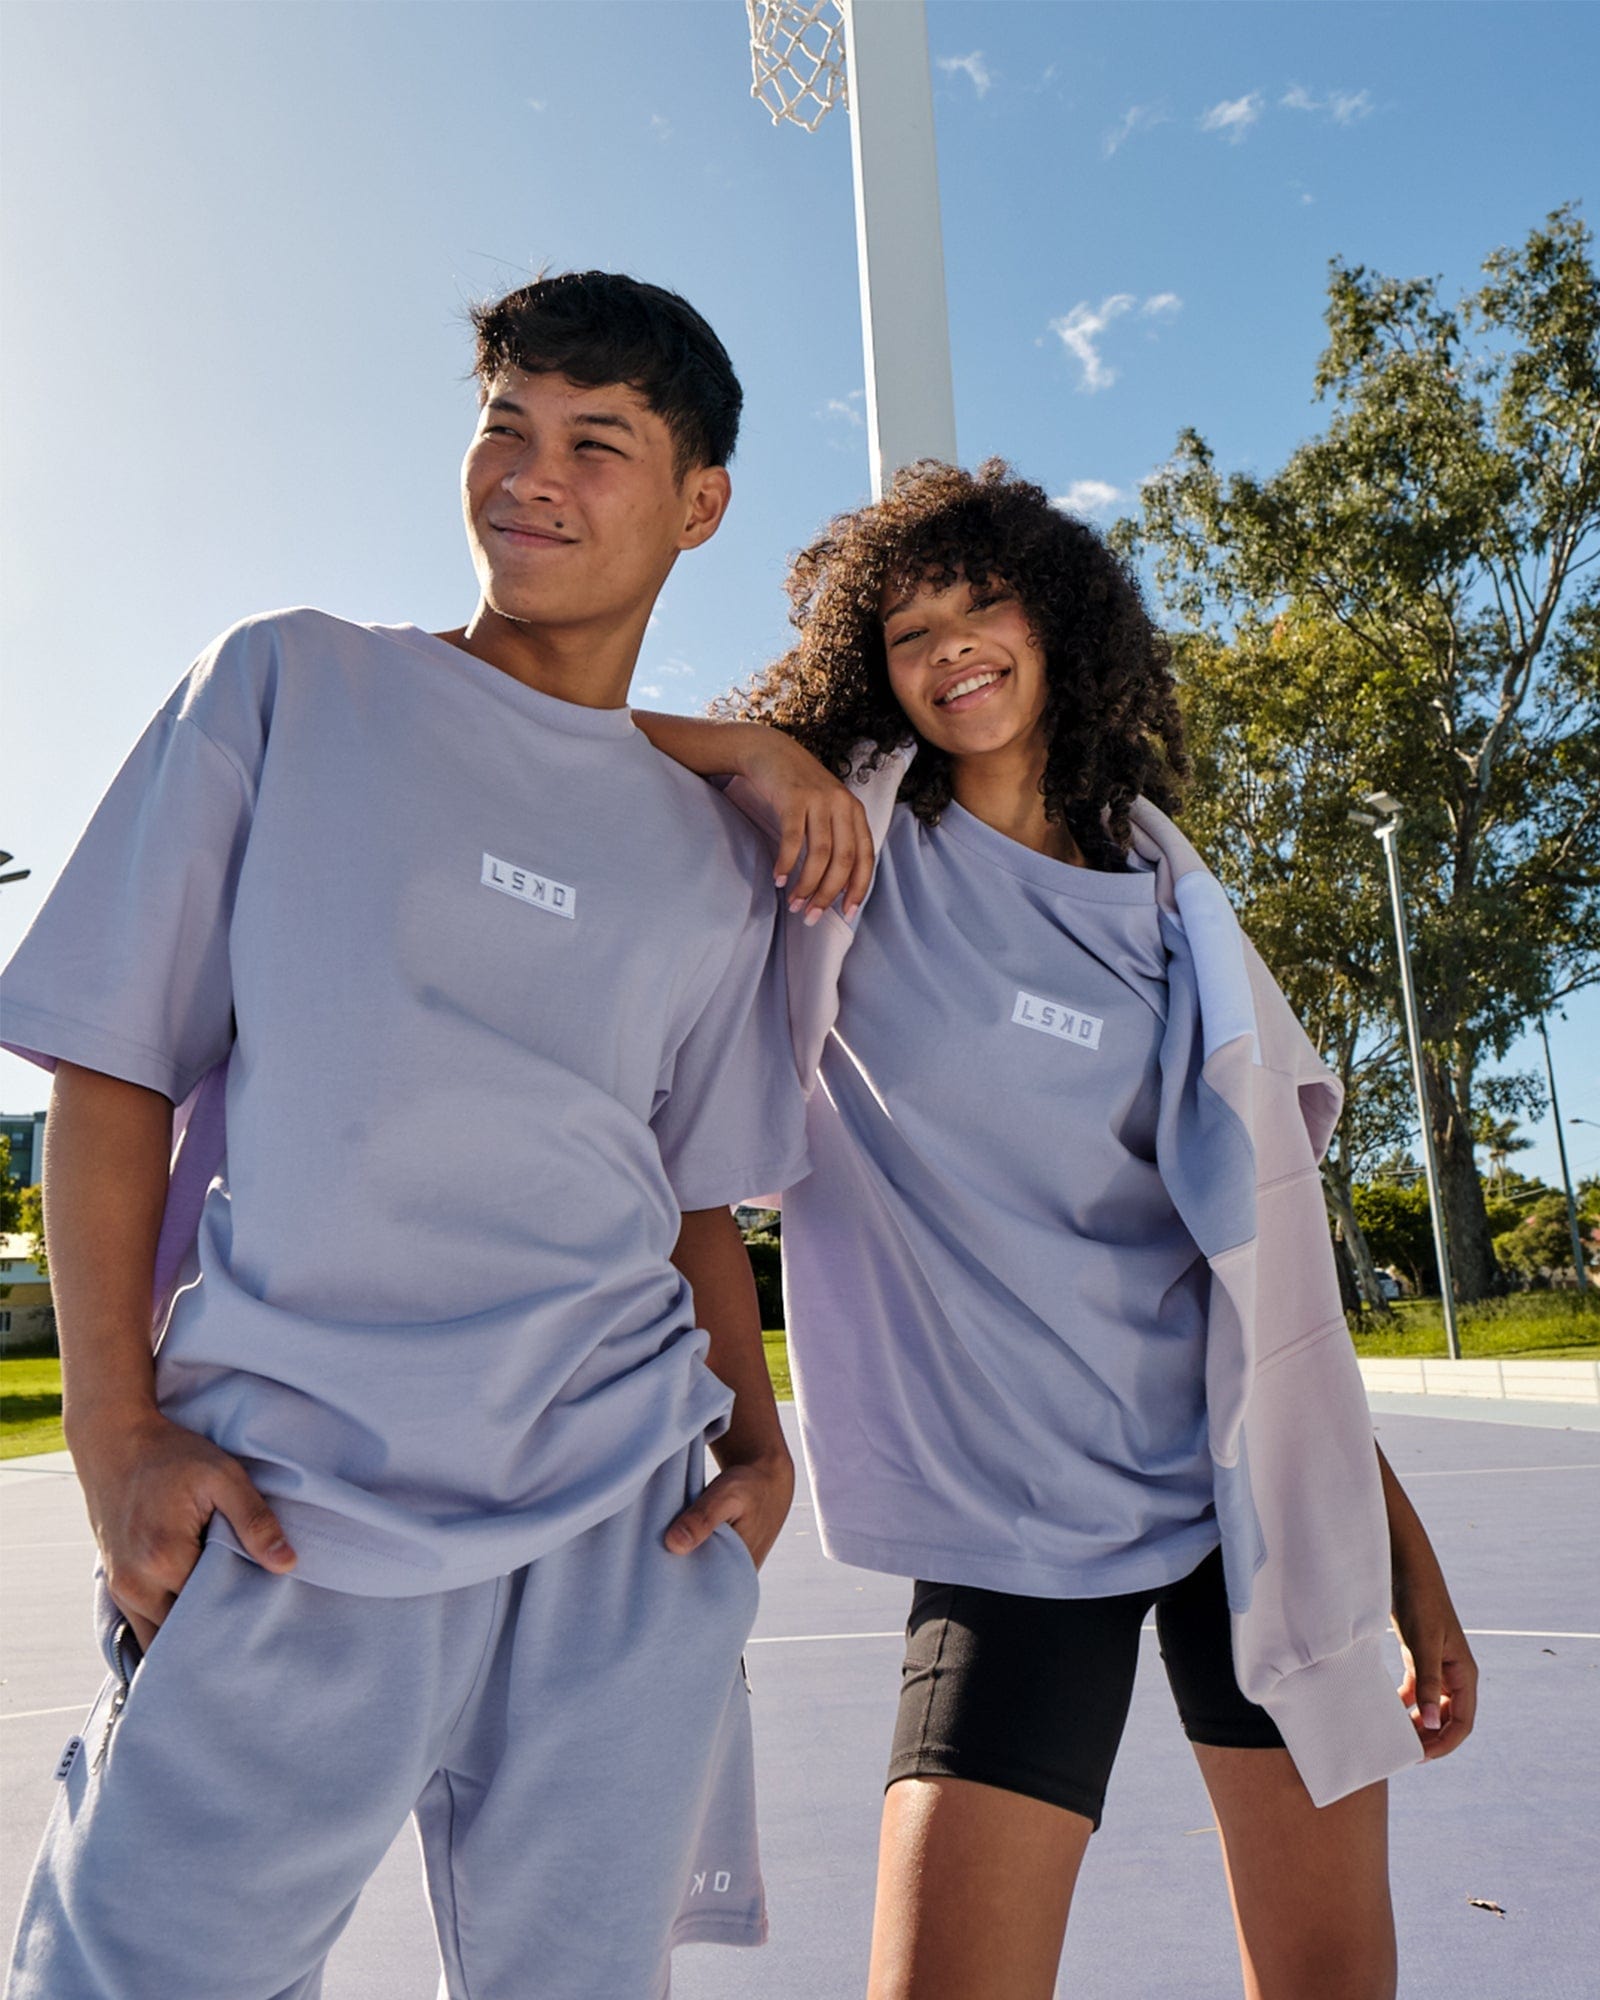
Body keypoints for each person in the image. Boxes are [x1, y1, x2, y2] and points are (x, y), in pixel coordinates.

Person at [0, 271, 809, 2000]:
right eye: (506, 426)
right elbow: (111, 1068)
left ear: (701, 504)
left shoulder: (717, 851)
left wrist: (758, 1441)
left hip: (626, 1524)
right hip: (296, 1495)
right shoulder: (291, 686)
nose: (533, 473)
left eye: (598, 444)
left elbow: (693, 1203)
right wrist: (111, 1427)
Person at [636, 458, 1478, 2000]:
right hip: (1013, 1514)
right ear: (869, 672)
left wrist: (1406, 1561)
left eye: (983, 602)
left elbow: (1261, 1287)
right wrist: (764, 751)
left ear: (1059, 621)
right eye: (907, 630)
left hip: (1251, 1506)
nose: (952, 644)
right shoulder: (851, 855)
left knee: (1334, 1980)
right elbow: (552, 742)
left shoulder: (1171, 906)